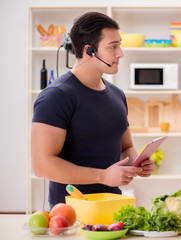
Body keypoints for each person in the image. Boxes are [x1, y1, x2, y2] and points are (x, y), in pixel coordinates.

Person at [31, 12, 155, 207]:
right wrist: (103, 176)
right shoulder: (56, 96)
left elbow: (126, 147)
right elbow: (42, 166)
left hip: (113, 206)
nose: (120, 53)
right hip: (71, 212)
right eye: (113, 46)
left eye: (119, 45)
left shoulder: (117, 94)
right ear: (90, 50)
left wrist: (136, 163)